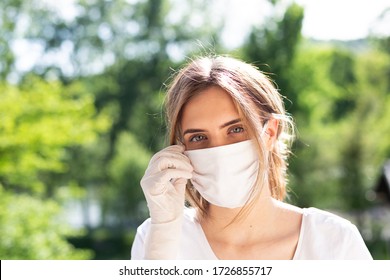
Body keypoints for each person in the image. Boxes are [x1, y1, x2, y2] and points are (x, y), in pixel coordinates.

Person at [131, 55, 373, 260]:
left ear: (269, 132)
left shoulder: (335, 243)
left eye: (236, 129)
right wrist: (163, 235)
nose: (219, 152)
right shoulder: (156, 238)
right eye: (198, 137)